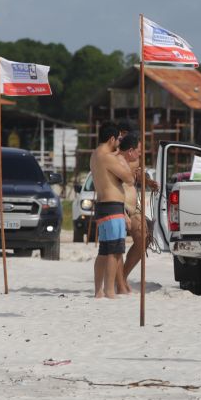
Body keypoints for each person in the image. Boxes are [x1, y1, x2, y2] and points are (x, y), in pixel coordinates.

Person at [90, 121, 135, 299]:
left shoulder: (95, 155)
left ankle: (98, 290)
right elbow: (129, 178)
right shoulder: (108, 157)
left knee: (104, 250)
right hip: (112, 207)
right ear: (111, 139)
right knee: (114, 251)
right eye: (118, 139)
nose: (119, 143)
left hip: (103, 206)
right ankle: (109, 290)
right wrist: (121, 159)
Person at [119, 133, 159, 290]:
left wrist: (148, 182)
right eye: (139, 149)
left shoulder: (135, 160)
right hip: (118, 205)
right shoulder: (115, 160)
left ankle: (122, 276)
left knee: (144, 238)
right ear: (130, 148)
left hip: (134, 206)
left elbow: (139, 175)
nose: (142, 152)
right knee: (116, 246)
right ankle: (118, 280)